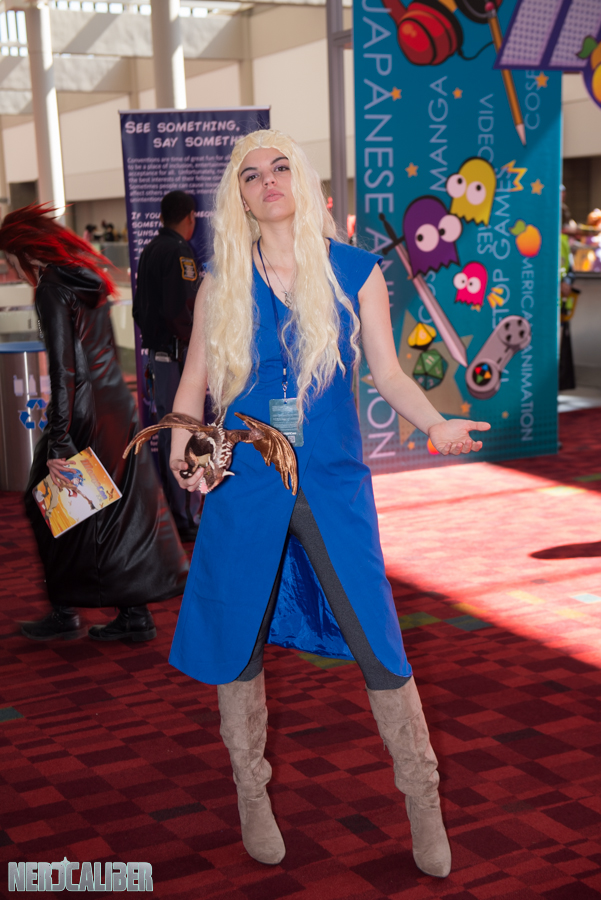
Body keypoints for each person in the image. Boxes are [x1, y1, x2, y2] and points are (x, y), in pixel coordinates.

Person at [164, 130, 491, 878]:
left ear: (301, 180)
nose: (268, 180)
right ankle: (251, 794)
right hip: (244, 480)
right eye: (252, 174)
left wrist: (434, 421)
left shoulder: (355, 270)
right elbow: (195, 381)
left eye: (280, 167)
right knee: (237, 644)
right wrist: (181, 443)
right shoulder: (221, 283)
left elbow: (389, 373)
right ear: (240, 198)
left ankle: (423, 799)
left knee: (379, 644)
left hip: (334, 484)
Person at [0, 204, 189, 643]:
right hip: (114, 407)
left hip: (83, 413)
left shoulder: (51, 288)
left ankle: (66, 609)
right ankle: (132, 614)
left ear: (24, 252)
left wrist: (59, 441)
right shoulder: (87, 278)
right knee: (112, 510)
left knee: (47, 504)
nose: (11, 269)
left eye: (10, 260)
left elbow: (64, 370)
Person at [133, 190, 202, 542]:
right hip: (177, 357)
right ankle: (186, 514)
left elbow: (139, 310)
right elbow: (181, 311)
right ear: (190, 217)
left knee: (169, 432)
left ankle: (176, 510)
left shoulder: (149, 250)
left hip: (158, 357)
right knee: (183, 431)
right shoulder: (179, 252)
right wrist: (196, 346)